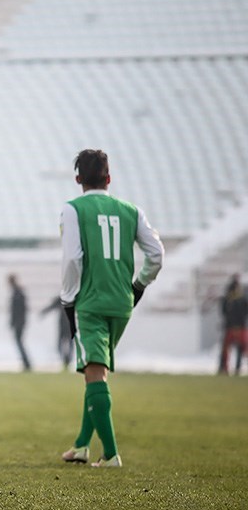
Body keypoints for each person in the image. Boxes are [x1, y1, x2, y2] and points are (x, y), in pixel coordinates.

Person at [59, 149, 164, 468]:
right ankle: (80, 445)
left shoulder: (73, 209)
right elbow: (156, 254)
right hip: (122, 303)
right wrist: (138, 286)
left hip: (89, 302)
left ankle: (110, 454)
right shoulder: (131, 210)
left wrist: (68, 298)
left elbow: (74, 257)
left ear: (78, 179)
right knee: (96, 372)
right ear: (109, 178)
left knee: (94, 372)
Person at [218, 273, 248, 376]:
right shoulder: (238, 298)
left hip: (233, 326)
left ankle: (227, 368)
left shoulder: (232, 298)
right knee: (234, 349)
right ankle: (230, 368)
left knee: (231, 349)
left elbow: (224, 311)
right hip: (235, 326)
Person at [40, 296, 73, 371]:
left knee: (68, 345)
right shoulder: (61, 299)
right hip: (63, 326)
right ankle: (65, 360)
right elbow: (52, 307)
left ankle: (67, 360)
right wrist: (44, 312)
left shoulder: (71, 298)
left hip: (69, 326)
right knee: (61, 345)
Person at [8, 274, 32, 372]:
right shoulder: (17, 292)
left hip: (19, 322)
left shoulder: (18, 293)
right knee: (19, 342)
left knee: (19, 342)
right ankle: (26, 363)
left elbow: (18, 310)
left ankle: (26, 363)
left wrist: (15, 322)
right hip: (19, 322)